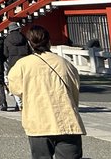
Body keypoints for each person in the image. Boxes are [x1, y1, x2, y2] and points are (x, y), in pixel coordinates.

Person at [7, 25, 86, 159]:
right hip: (68, 121)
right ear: (49, 42)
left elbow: (15, 89)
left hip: (38, 122)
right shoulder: (65, 64)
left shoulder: (22, 65)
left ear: (29, 44)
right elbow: (74, 89)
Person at [2, 22, 31, 111]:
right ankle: (26, 102)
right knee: (25, 83)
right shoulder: (24, 38)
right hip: (24, 63)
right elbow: (29, 51)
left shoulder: (7, 39)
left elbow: (5, 53)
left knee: (15, 84)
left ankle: (18, 104)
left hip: (13, 64)